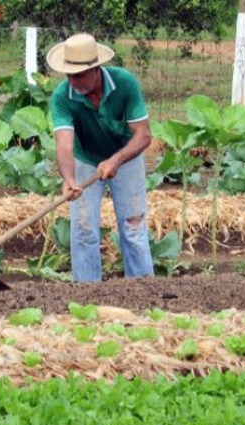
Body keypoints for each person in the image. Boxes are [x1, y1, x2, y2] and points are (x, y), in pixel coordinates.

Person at [47, 33, 155, 283]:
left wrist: (115, 160)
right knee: (83, 230)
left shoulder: (124, 83)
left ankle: (143, 289)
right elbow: (64, 143)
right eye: (69, 75)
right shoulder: (62, 97)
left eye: (79, 75)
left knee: (133, 227)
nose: (73, 81)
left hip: (126, 156)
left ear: (96, 69)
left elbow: (144, 136)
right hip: (85, 159)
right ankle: (86, 292)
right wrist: (69, 179)